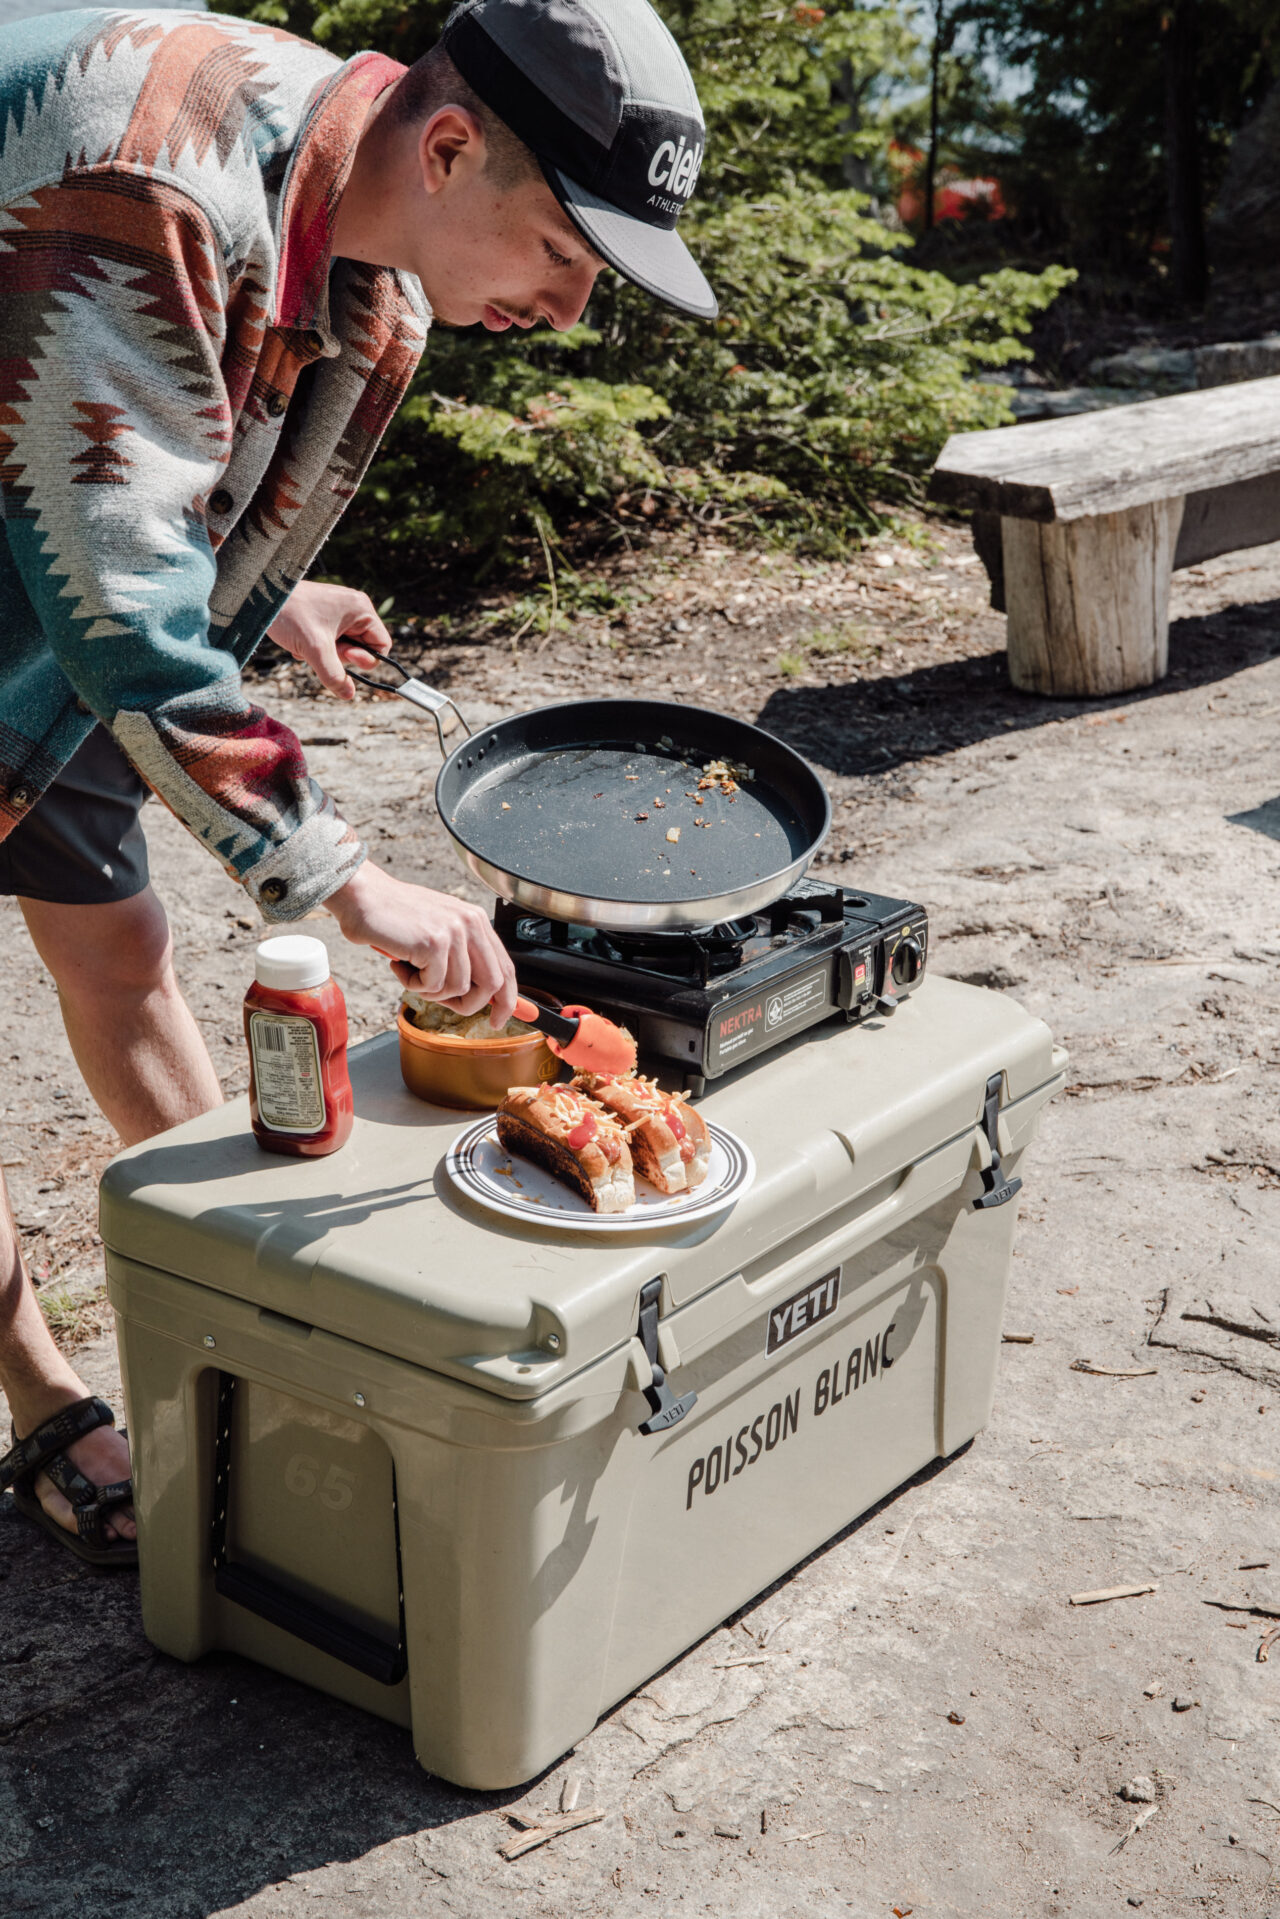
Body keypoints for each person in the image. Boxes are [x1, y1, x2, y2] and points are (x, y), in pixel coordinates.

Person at [0, 0, 715, 1564]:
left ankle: (256, 1338)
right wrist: (340, 874)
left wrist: (273, 590)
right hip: (57, 602)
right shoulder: (155, 175)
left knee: (126, 954)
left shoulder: (365, 273)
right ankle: (44, 1393)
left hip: (39, 606)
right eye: (566, 254)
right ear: (450, 147)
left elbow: (143, 481)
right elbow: (115, 584)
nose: (572, 309)